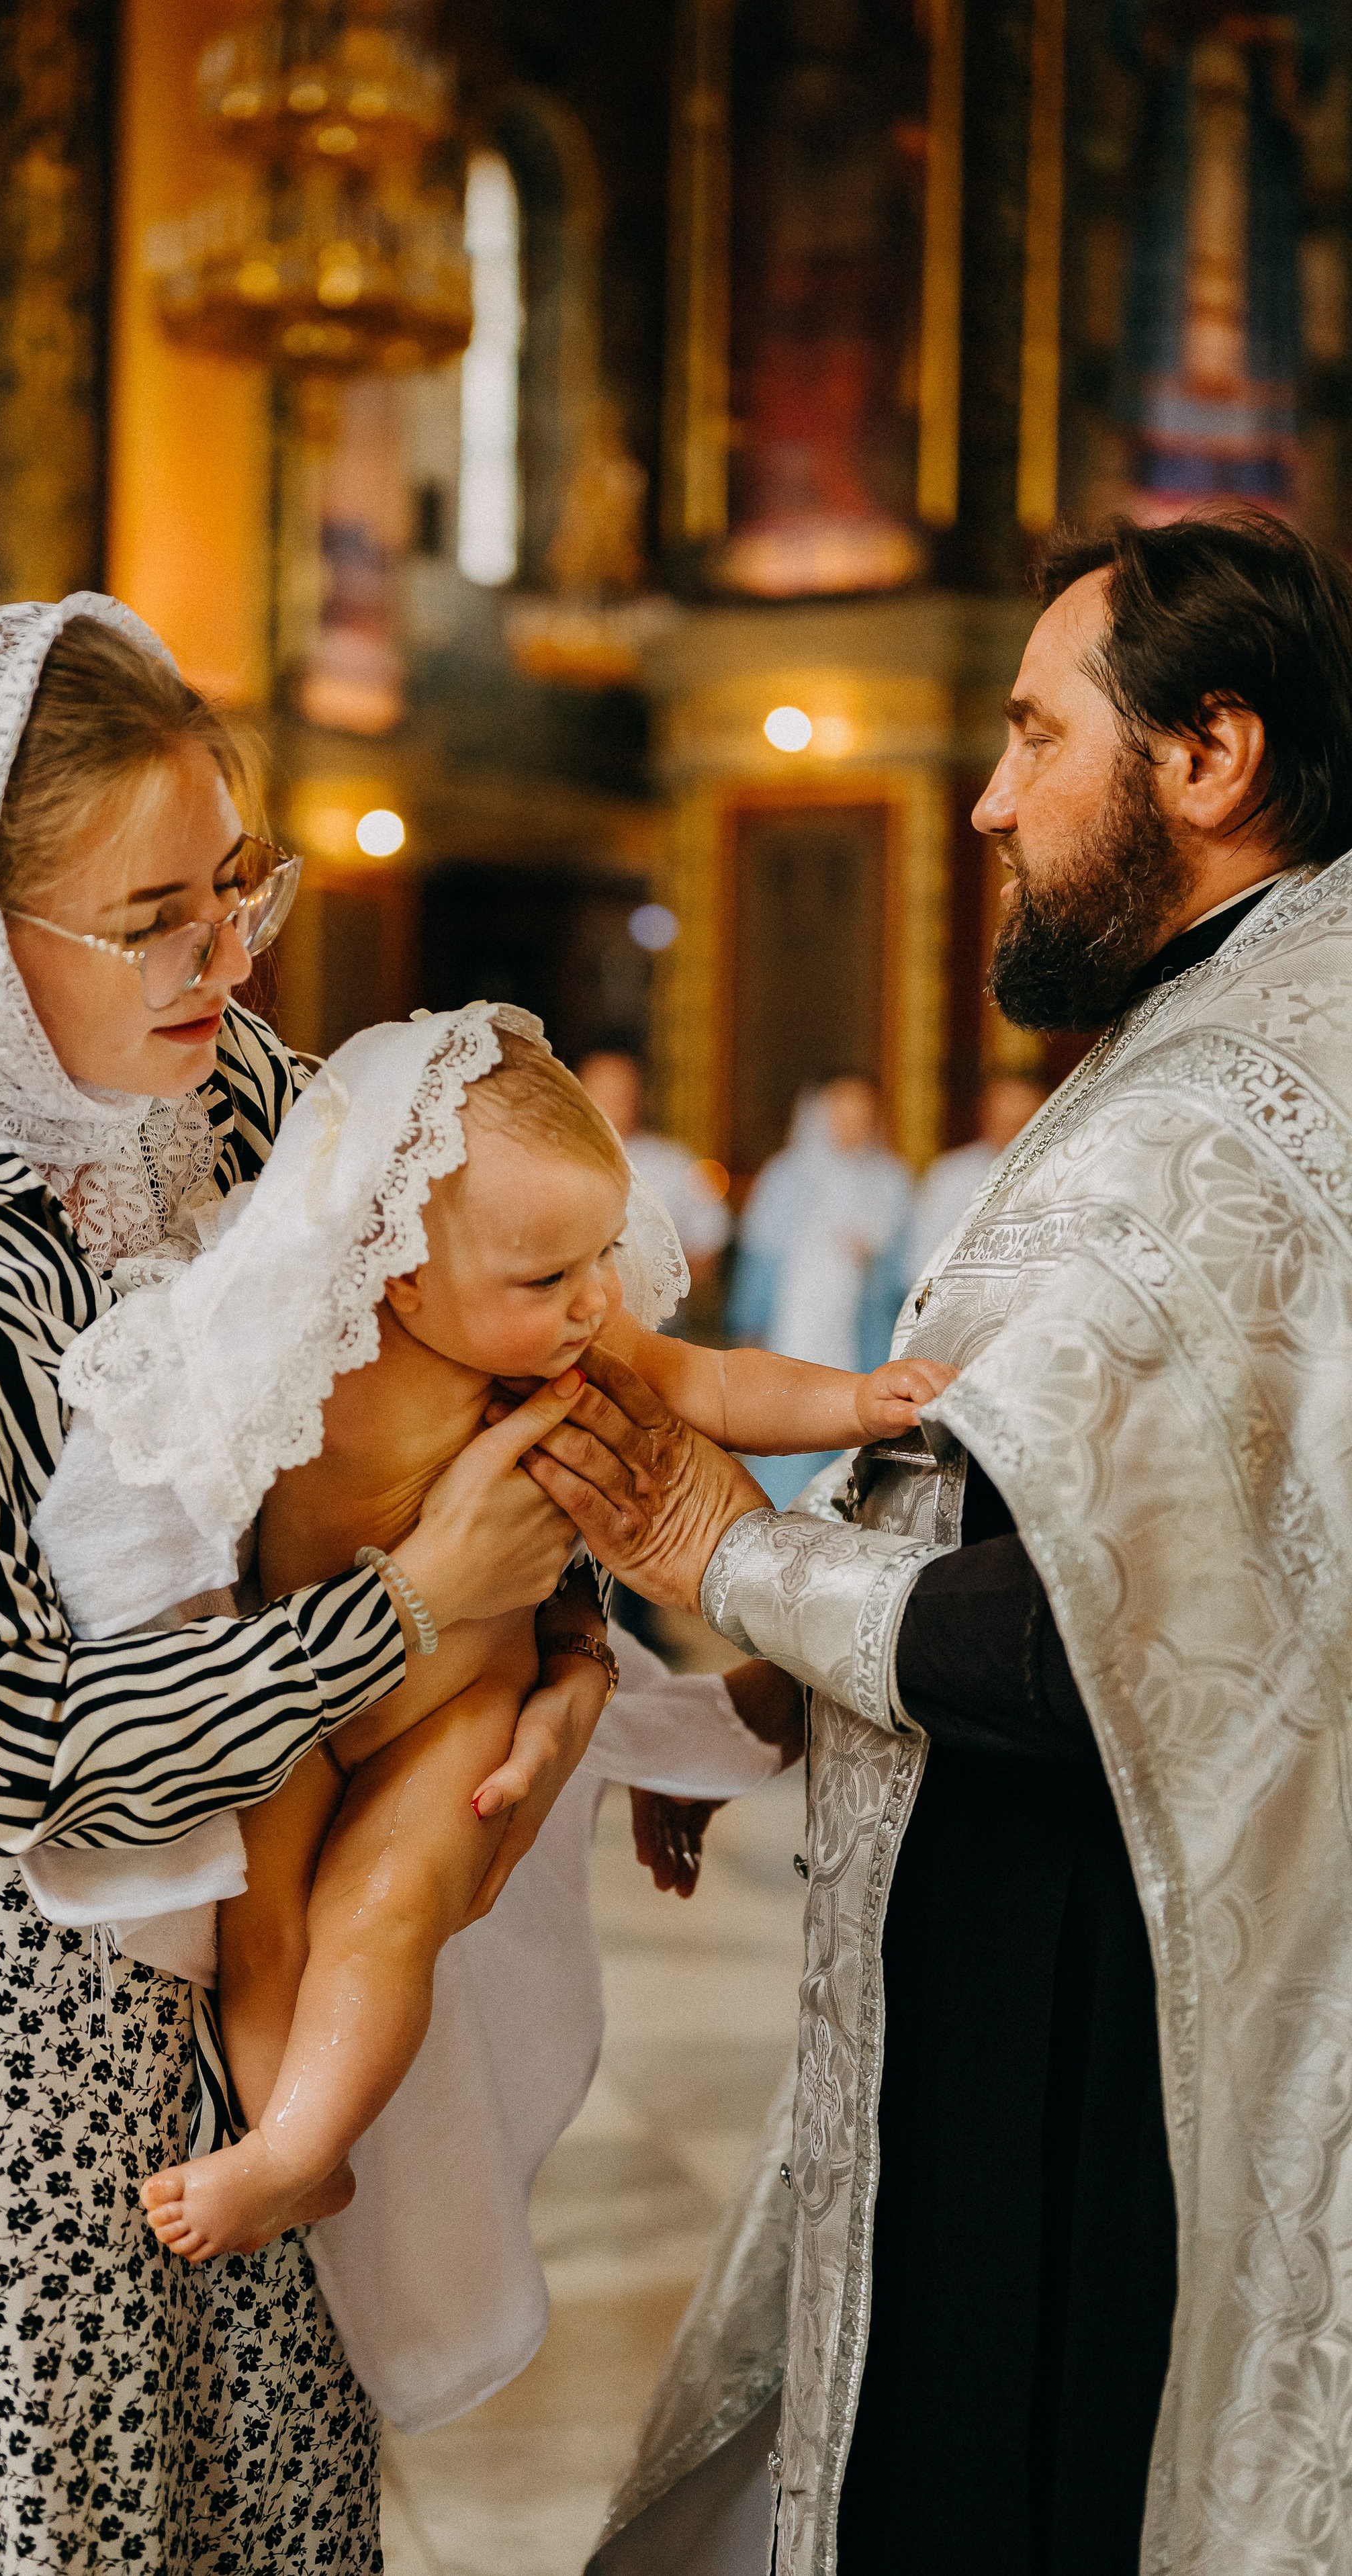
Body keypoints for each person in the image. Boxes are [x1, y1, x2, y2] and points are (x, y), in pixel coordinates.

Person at [0, 597, 608, 2574]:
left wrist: (575, 1649)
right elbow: (10, 1741)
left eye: (234, 886)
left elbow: (453, 1375)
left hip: (245, 1982)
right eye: (153, 913)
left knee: (251, 2508)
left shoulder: (246, 1105)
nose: (226, 957)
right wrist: (413, 1612)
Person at [529, 508, 1352, 2576]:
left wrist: (720, 1548)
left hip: (1096, 1998)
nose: (986, 801)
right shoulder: (1230, 1036)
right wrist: (774, 1688)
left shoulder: (1218, 1112)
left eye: (1028, 733)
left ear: (1207, 753)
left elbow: (1104, 1640)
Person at [32, 1004, 945, 2264]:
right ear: (400, 1270)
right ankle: (269, 2131)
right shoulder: (301, 1341)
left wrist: (854, 1402)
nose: (592, 1306)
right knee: (263, 1921)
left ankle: (304, 2144)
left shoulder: (558, 1347)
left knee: (383, 1907)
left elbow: (722, 1385)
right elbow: (167, 1451)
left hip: (455, 1714)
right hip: (296, 1695)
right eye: (546, 1278)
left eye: (601, 1262)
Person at [726, 1074, 913, 1508]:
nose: (851, 1125)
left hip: (865, 1332)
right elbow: (761, 1259)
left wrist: (871, 1259)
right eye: (841, 1113)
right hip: (794, 1331)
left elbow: (904, 1272)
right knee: (787, 1428)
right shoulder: (786, 1176)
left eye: (861, 1115)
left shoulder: (890, 1179)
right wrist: (751, 1328)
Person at [576, 1038, 732, 1290]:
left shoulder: (674, 1163)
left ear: (640, 1095)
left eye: (620, 1095)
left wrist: (655, 1282)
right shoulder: (555, 1158)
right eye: (600, 1092)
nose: (609, 1107)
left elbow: (708, 1244)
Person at [905, 1069, 1048, 1278]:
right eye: (1003, 1118)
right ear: (985, 1113)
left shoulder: (1056, 1173)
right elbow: (921, 1263)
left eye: (1022, 1121)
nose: (1012, 1131)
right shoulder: (950, 1175)